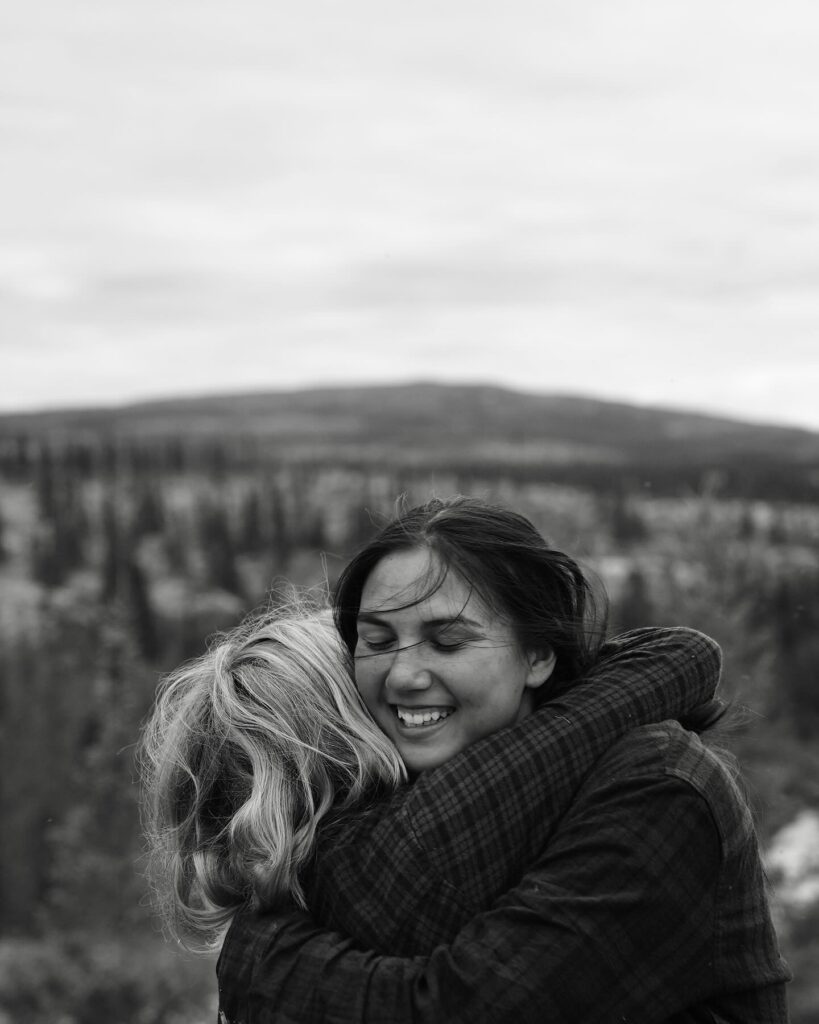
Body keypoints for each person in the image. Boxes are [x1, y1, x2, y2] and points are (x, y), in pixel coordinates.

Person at [213, 497, 790, 1023]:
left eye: (448, 641)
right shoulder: (397, 776)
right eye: (379, 640)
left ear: (537, 654)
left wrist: (263, 959)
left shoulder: (657, 787)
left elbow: (466, 1011)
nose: (404, 675)